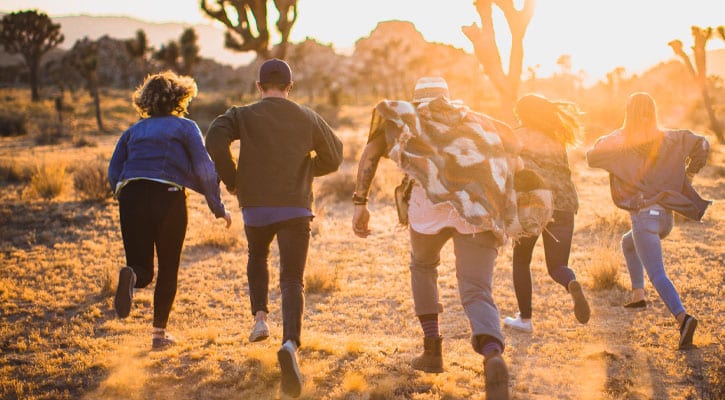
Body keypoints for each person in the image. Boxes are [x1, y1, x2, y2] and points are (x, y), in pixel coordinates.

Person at [352, 77, 522, 400]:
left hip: (426, 209)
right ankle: (492, 354)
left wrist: (360, 202)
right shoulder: (477, 121)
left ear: (417, 100)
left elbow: (371, 153)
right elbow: (514, 150)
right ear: (448, 96)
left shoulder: (409, 118)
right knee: (476, 288)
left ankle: (432, 351)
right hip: (476, 208)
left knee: (423, 267)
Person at [205, 58, 343, 398]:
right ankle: (290, 344)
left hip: (256, 208)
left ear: (259, 86)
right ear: (289, 87)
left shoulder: (241, 115)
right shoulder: (307, 116)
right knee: (293, 278)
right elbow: (335, 155)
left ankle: (260, 320)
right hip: (296, 206)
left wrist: (233, 178)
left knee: (257, 255)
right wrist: (308, 168)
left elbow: (213, 139)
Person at [108, 71, 232, 350]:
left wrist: (122, 193)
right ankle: (158, 335)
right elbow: (204, 167)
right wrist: (217, 206)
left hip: (132, 193)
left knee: (143, 269)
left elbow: (114, 169)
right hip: (167, 196)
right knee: (167, 268)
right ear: (179, 97)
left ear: (146, 100)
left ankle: (132, 275)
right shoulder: (185, 127)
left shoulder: (133, 131)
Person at [586, 92, 711, 349]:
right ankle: (638, 295)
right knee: (628, 243)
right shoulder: (670, 136)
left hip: (644, 217)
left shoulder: (621, 140)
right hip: (666, 218)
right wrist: (689, 174)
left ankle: (683, 318)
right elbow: (703, 144)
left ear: (628, 114)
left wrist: (617, 133)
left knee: (657, 272)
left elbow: (592, 155)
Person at [503, 94, 591, 333]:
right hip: (564, 204)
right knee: (557, 266)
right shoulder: (557, 138)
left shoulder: (518, 136)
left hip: (533, 204)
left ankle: (525, 319)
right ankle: (570, 281)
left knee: (521, 260)